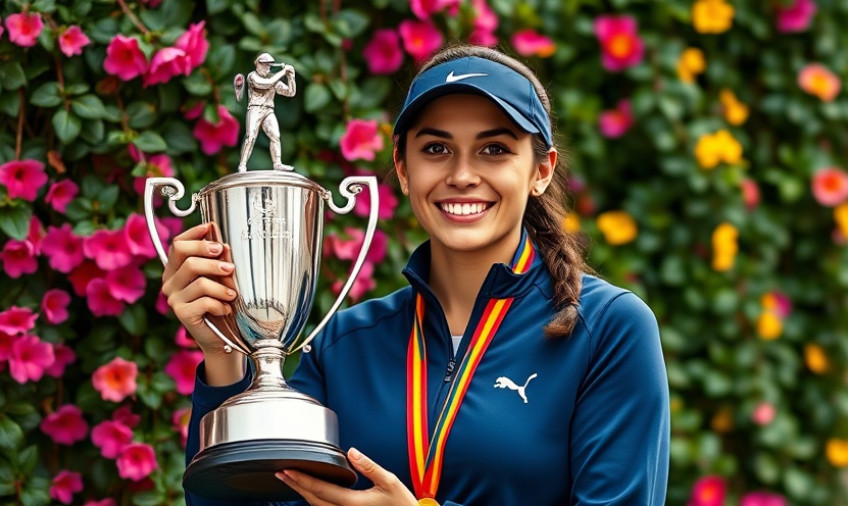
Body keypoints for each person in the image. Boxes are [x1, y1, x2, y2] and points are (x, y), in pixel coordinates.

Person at [163, 44, 670, 505]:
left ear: (541, 171)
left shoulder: (608, 329)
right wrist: (224, 352)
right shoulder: (345, 345)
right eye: (435, 148)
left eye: (494, 149)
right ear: (403, 170)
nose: (462, 174)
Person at [236, 52, 296, 172]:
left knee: (275, 136)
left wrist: (291, 77)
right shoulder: (252, 76)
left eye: (269, 65)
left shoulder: (272, 78)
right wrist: (283, 72)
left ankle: (277, 163)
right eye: (264, 64)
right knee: (250, 136)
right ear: (257, 64)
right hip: (255, 109)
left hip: (268, 110)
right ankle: (242, 165)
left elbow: (290, 92)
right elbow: (265, 84)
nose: (267, 67)